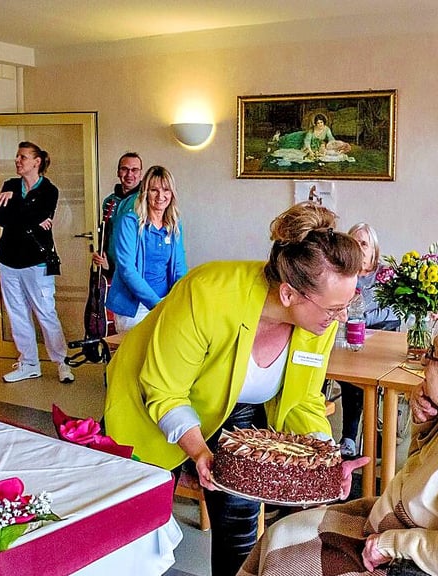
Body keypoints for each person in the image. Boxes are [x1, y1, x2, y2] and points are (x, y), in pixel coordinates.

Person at [105, 202, 363, 576]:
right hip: (149, 401)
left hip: (235, 404)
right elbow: (164, 390)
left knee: (240, 521)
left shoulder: (320, 323)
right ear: (289, 294)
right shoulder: (208, 292)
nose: (341, 317)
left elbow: (304, 400)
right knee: (138, 530)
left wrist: (324, 460)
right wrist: (197, 451)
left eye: (345, 306)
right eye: (334, 309)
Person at [239, 303, 438, 576]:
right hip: (411, 525)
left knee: (285, 560)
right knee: (281, 533)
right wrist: (427, 425)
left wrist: (391, 543)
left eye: (432, 357)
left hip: (417, 563)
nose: (423, 366)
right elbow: (432, 477)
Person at [0, 141, 74, 384]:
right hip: (9, 260)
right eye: (17, 157)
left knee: (46, 312)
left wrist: (17, 205)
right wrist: (26, 213)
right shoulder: (9, 185)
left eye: (23, 157)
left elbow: (38, 216)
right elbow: (2, 218)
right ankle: (28, 362)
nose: (18, 161)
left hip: (37, 261)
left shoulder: (49, 190)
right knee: (17, 313)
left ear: (36, 162)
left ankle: (62, 362)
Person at [336, 222, 400, 458]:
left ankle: (368, 434)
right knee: (350, 377)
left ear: (374, 249)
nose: (359, 248)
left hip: (380, 338)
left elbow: (394, 310)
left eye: (363, 243)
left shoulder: (385, 274)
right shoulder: (342, 273)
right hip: (348, 339)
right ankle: (351, 438)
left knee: (366, 378)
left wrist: (362, 317)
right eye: (353, 243)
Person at [104, 165, 188, 332]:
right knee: (135, 357)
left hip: (165, 301)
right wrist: (155, 304)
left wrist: (182, 298)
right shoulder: (130, 222)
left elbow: (179, 268)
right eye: (154, 190)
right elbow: (127, 269)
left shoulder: (174, 224)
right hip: (134, 306)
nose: (161, 196)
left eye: (166, 190)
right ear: (144, 192)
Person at [92, 151, 143, 279]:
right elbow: (104, 233)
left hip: (136, 270)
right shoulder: (109, 201)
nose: (129, 174)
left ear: (140, 174)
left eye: (134, 170)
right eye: (124, 169)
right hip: (109, 268)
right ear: (118, 172)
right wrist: (100, 256)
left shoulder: (146, 200)